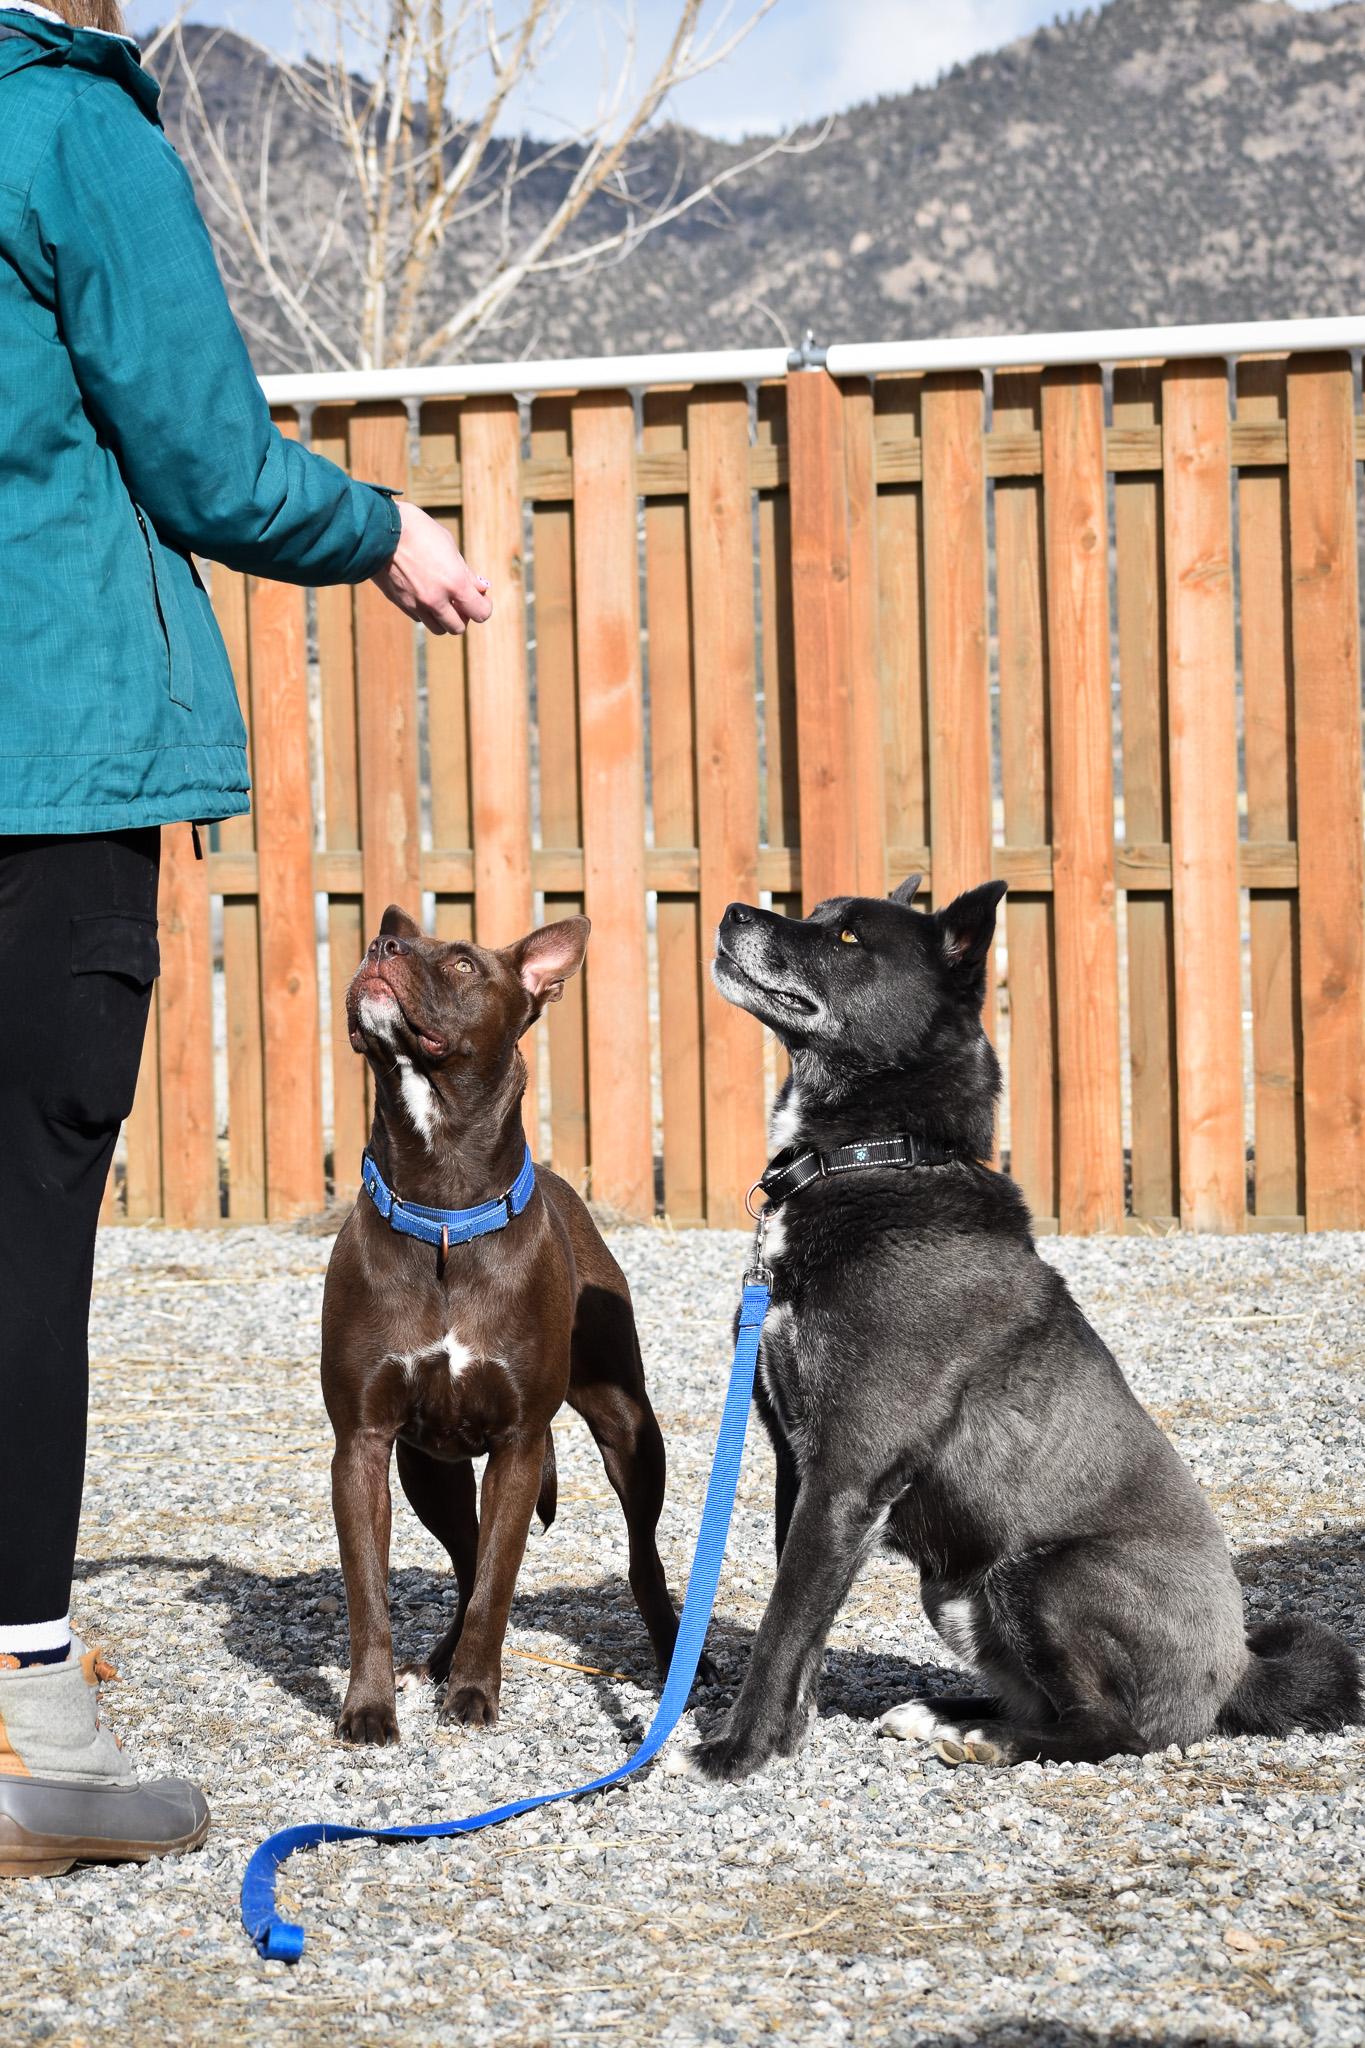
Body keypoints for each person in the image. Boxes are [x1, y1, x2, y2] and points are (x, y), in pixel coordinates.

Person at [0, 0, 492, 1878]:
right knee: (24, 1216)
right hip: (35, 765)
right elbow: (203, 459)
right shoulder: (65, 124)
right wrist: (380, 531)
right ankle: (25, 1716)